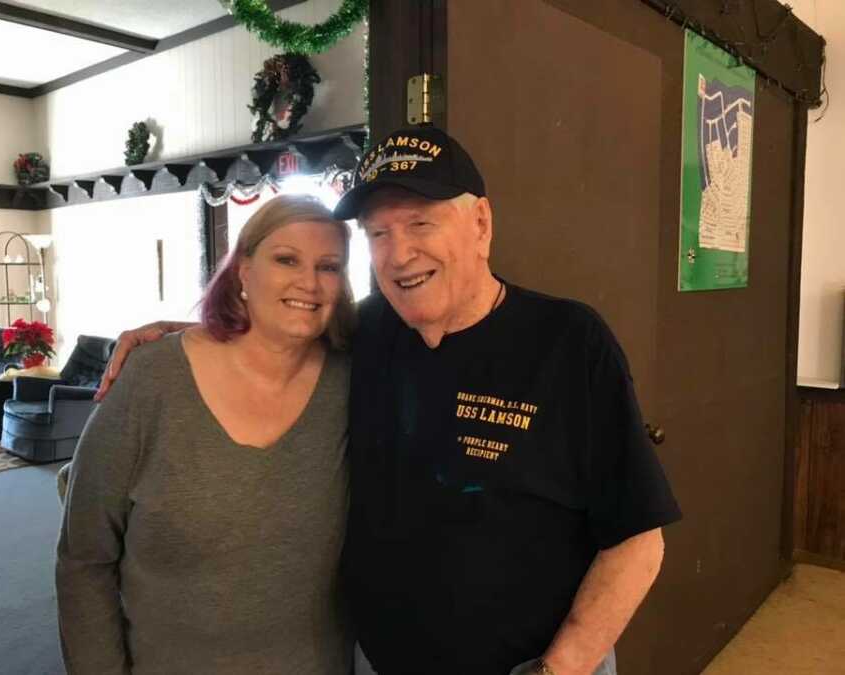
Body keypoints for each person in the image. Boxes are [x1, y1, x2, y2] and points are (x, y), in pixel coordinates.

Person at [99, 125, 681, 675]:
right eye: (379, 234)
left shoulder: (568, 341)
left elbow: (637, 540)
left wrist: (559, 668)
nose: (399, 254)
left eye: (421, 224)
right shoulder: (368, 331)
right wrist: (184, 334)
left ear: (480, 224)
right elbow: (277, 333)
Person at [57, 194, 356, 675]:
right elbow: (84, 558)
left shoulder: (354, 380)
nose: (309, 282)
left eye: (329, 266)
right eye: (286, 259)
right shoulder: (151, 379)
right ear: (243, 270)